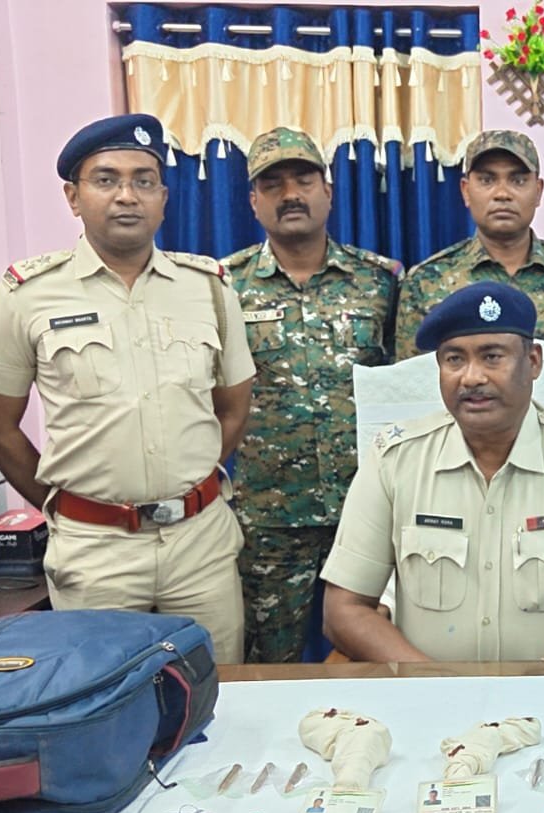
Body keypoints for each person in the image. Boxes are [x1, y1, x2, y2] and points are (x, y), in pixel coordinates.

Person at [0, 113, 254, 664]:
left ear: (163, 199)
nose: (127, 195)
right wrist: (66, 505)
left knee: (218, 692)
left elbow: (234, 408)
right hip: (94, 551)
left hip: (200, 545)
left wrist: (184, 482)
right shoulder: (27, 294)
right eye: (106, 180)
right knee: (101, 697)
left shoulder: (209, 288)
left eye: (144, 181)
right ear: (73, 197)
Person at [320, 282, 544, 662]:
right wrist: (429, 680)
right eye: (454, 359)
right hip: (426, 691)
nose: (471, 377)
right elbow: (344, 610)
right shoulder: (394, 459)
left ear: (533, 362)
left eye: (492, 357)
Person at [222, 127, 402, 663]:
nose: (290, 194)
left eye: (303, 179)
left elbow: (409, 386)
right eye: (272, 184)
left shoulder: (381, 281)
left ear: (328, 190)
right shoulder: (223, 286)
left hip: (369, 508)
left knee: (383, 659)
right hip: (269, 518)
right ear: (253, 201)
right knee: (266, 666)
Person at [394, 131, 544, 357]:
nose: (502, 194)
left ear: (538, 191)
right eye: (487, 180)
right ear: (466, 191)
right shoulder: (426, 281)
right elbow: (411, 375)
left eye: (518, 181)